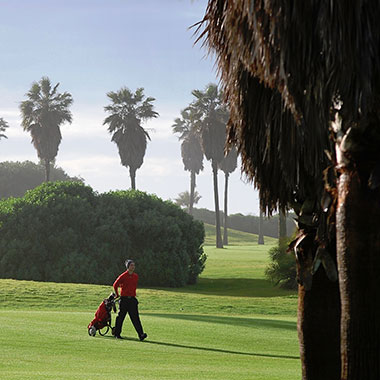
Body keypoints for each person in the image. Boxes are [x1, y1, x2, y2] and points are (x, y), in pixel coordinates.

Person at [113, 259, 147, 341]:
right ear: (128, 267)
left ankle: (141, 334)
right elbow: (115, 285)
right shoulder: (123, 276)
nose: (133, 267)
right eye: (131, 265)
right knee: (120, 317)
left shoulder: (136, 276)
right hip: (124, 299)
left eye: (134, 265)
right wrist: (117, 294)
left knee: (135, 318)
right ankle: (117, 333)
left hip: (132, 299)